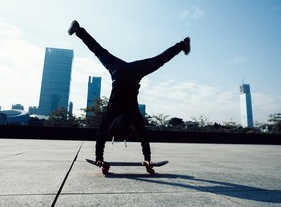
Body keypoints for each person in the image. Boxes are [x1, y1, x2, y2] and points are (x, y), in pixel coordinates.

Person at [68, 20, 190, 169]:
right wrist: (147, 159)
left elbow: (103, 132)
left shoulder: (125, 113)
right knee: (158, 59)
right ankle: (182, 45)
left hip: (126, 71)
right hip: (125, 70)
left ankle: (78, 30)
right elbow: (138, 134)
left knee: (156, 60)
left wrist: (99, 158)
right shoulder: (122, 113)